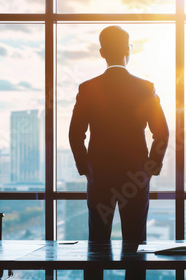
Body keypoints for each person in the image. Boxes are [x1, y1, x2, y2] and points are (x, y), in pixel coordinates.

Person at [69, 25, 169, 280]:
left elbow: (75, 135)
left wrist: (86, 169)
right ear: (128, 51)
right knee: (135, 246)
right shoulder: (145, 88)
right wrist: (150, 169)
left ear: (102, 53)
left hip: (100, 178)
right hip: (135, 179)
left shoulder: (88, 88)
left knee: (97, 247)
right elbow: (162, 134)